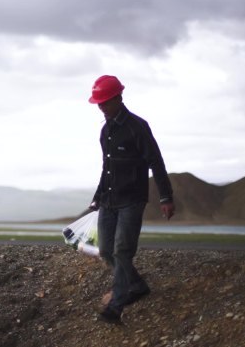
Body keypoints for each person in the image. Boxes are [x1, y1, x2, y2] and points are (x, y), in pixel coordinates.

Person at [86, 75, 175, 323]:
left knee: (122, 251)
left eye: (104, 101)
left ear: (118, 98)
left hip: (132, 201)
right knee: (105, 251)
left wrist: (166, 196)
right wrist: (97, 197)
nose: (101, 106)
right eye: (98, 102)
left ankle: (116, 307)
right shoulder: (106, 131)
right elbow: (107, 168)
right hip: (108, 200)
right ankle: (136, 285)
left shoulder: (138, 127)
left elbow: (156, 162)